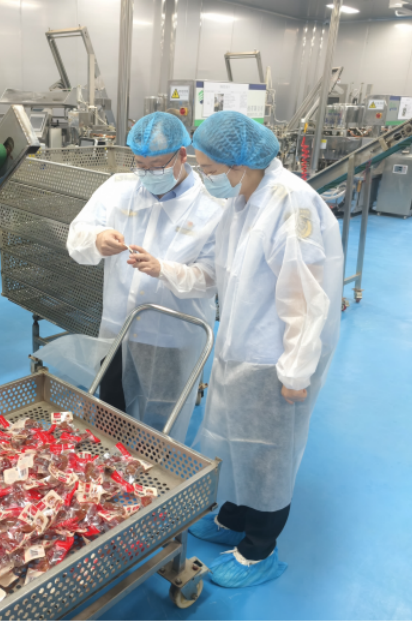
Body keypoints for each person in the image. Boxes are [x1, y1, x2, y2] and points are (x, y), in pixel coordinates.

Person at [129, 111, 343, 588]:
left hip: (273, 357)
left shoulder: (289, 203)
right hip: (239, 344)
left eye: (208, 168)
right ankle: (232, 516)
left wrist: (295, 372)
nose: (204, 177)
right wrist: (165, 269)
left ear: (239, 164)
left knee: (267, 452)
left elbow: (305, 298)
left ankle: (258, 548)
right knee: (230, 438)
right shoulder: (242, 201)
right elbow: (215, 274)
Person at [66, 112, 223, 443]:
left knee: (159, 427)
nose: (148, 174)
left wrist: (164, 270)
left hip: (170, 337)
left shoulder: (211, 206)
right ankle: (111, 471)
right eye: (141, 165)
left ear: (182, 155)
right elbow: (77, 235)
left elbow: (212, 278)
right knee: (109, 417)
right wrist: (97, 240)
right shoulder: (118, 189)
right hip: (118, 329)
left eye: (157, 166)